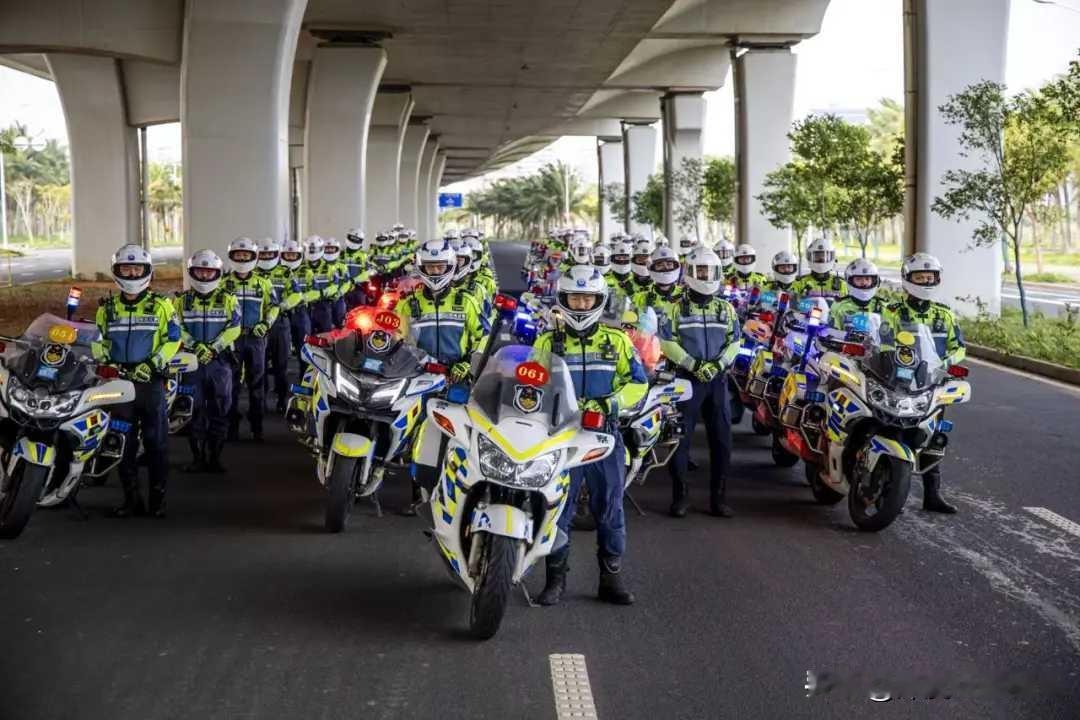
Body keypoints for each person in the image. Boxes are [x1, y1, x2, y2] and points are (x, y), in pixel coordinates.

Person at [533, 265, 648, 607]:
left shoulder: (617, 341)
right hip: (561, 437)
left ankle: (610, 579)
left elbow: (639, 383)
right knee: (558, 508)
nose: (581, 305)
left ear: (599, 301)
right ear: (563, 299)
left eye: (588, 298)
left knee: (610, 507)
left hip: (604, 436)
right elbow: (532, 384)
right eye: (575, 297)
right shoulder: (547, 341)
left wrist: (611, 404)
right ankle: (555, 579)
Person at [92, 245, 180, 517]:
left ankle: (158, 500)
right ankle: (131, 499)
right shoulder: (106, 309)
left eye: (137, 268)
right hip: (118, 387)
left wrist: (153, 364)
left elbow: (174, 340)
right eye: (126, 268)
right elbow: (98, 341)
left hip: (150, 384)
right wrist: (106, 362)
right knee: (121, 441)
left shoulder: (162, 306)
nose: (131, 273)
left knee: (156, 442)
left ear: (147, 272)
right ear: (117, 271)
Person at [404, 239, 487, 512]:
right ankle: (419, 491)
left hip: (458, 378)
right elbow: (398, 339)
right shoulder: (409, 303)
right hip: (419, 376)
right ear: (420, 267)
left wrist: (468, 364)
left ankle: (458, 494)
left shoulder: (468, 301)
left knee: (460, 434)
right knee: (416, 432)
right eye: (431, 266)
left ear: (451, 267)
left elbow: (484, 338)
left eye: (441, 266)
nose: (436, 272)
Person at [658, 248, 740, 518]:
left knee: (722, 440)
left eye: (710, 271)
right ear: (690, 273)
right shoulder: (675, 307)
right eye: (700, 271)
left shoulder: (726, 308)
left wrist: (717, 365)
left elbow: (734, 342)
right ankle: (680, 497)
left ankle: (720, 499)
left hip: (717, 380)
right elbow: (667, 343)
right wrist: (693, 365)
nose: (705, 276)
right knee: (680, 439)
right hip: (685, 380)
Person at [884, 253, 966, 514]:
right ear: (908, 279)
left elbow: (959, 347)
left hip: (933, 383)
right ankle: (888, 488)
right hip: (898, 381)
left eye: (930, 277)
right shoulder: (893, 311)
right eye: (920, 277)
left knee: (932, 437)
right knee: (892, 429)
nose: (925, 281)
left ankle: (933, 494)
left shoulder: (945, 315)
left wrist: (947, 362)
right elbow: (882, 341)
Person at [175, 249, 241, 473]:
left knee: (221, 409)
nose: (204, 277)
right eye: (200, 272)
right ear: (192, 272)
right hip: (191, 363)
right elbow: (176, 329)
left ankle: (215, 457)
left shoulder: (229, 299)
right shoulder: (181, 301)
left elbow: (235, 328)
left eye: (209, 272)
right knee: (192, 410)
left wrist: (214, 347)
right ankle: (197, 458)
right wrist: (195, 345)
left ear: (217, 273)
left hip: (219, 363)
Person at [222, 237, 279, 442]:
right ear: (231, 257)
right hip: (233, 341)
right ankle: (232, 427)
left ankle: (257, 427)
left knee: (256, 384)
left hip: (256, 340)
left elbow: (274, 306)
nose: (242, 258)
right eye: (238, 255)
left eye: (246, 255)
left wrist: (266, 324)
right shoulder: (223, 284)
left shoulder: (263, 283)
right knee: (232, 384)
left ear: (253, 257)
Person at [256, 239, 303, 413]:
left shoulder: (285, 272)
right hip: (259, 326)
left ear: (276, 255)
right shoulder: (252, 273)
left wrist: (281, 306)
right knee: (259, 366)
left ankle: (282, 399)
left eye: (270, 254)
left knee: (280, 365)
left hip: (280, 324)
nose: (267, 257)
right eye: (264, 254)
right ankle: (261, 402)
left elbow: (297, 295)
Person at [631, 245, 684, 327]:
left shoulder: (685, 295)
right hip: (651, 339)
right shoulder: (640, 298)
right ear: (651, 268)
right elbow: (630, 327)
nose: (665, 268)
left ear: (676, 266)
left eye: (669, 264)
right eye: (660, 265)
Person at [830, 258, 887, 330]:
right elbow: (833, 333)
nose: (864, 283)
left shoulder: (882, 306)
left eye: (867, 279)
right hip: (847, 341)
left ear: (875, 281)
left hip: (875, 341)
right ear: (850, 281)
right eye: (858, 279)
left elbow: (887, 334)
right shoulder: (839, 305)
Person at [280, 239, 312, 362]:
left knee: (304, 346)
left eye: (293, 255)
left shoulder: (307, 272)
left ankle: (304, 376)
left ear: (299, 256)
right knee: (281, 350)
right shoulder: (279, 272)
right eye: (288, 255)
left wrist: (302, 297)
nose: (291, 258)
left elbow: (314, 290)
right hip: (282, 313)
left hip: (300, 312)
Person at [792, 237, 845, 302]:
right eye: (817, 256)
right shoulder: (799, 283)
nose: (821, 258)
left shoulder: (842, 284)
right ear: (809, 257)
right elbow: (792, 305)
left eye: (824, 256)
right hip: (807, 312)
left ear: (833, 257)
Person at [321, 237, 351, 327]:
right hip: (322, 299)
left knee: (340, 319)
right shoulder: (320, 265)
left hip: (338, 298)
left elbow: (347, 282)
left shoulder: (342, 266)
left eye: (332, 248)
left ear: (337, 249)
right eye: (327, 248)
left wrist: (339, 292)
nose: (330, 250)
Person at [342, 228, 371, 308]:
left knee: (361, 307)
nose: (354, 241)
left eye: (356, 240)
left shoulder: (363, 255)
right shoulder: (340, 254)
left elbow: (366, 273)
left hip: (358, 287)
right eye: (352, 239)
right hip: (342, 287)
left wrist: (354, 280)